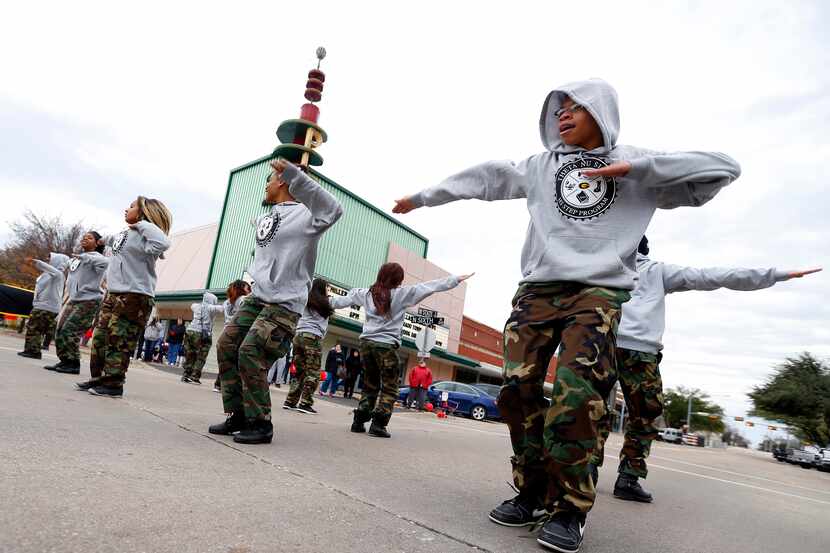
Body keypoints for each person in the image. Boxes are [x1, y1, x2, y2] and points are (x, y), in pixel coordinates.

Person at [392, 79, 740, 551]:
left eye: (576, 107)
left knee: (578, 398)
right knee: (516, 393)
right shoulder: (542, 166)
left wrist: (638, 167)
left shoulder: (638, 166)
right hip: (537, 290)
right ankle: (532, 490)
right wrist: (424, 196)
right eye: (559, 108)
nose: (563, 114)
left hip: (598, 294)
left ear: (601, 113)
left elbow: (723, 169)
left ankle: (570, 508)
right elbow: (487, 176)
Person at [591, 236, 822, 503]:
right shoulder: (657, 270)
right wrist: (776, 274)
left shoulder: (603, 267)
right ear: (646, 250)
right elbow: (715, 276)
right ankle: (628, 478)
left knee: (594, 409)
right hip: (641, 353)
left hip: (604, 344)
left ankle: (587, 470)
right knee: (644, 417)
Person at [208, 158, 343, 444]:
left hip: (284, 305)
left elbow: (334, 209)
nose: (266, 186)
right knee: (227, 345)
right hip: (258, 298)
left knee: (250, 351)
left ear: (282, 182)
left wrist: (297, 175)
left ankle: (261, 423)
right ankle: (238, 416)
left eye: (269, 180)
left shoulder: (307, 216)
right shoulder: (270, 215)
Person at [330, 263, 472, 438]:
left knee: (370, 384)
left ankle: (358, 421)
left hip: (366, 344)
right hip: (386, 346)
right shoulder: (401, 294)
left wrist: (317, 300)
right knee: (389, 387)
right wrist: (455, 280)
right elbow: (429, 287)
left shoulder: (366, 294)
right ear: (398, 279)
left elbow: (341, 300)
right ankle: (378, 425)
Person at [76, 196, 172, 397]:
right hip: (113, 293)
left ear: (144, 212)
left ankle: (113, 383)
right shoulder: (125, 234)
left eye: (131, 207)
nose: (126, 209)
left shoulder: (146, 234)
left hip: (134, 295)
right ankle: (100, 378)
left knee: (118, 340)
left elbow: (163, 242)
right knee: (100, 338)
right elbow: (114, 249)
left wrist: (142, 223)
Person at [46, 231, 108, 374]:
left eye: (90, 238)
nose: (85, 239)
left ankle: (74, 364)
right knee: (60, 329)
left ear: (97, 242)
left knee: (70, 330)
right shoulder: (76, 259)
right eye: (84, 237)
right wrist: (50, 258)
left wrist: (87, 257)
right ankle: (65, 361)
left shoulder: (97, 259)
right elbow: (63, 261)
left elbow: (106, 263)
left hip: (89, 300)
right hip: (74, 299)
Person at [283, 277, 334, 414]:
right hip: (312, 337)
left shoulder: (305, 299)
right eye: (327, 288)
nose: (328, 291)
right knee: (313, 371)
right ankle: (305, 403)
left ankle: (290, 401)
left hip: (298, 336)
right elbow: (345, 301)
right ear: (322, 288)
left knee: (299, 371)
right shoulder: (326, 302)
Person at [18, 253, 70, 360]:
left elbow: (49, 269)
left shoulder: (58, 274)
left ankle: (33, 351)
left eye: (50, 259)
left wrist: (36, 262)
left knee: (35, 328)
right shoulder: (47, 274)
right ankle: (31, 350)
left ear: (58, 261)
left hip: (47, 307)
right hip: (41, 305)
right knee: (34, 328)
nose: (48, 260)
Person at [213, 279, 252, 392]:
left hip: (226, 331)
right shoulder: (243, 299)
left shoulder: (227, 302)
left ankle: (219, 384)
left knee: (227, 360)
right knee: (236, 360)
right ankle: (229, 386)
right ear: (241, 288)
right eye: (247, 287)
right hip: (237, 331)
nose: (249, 289)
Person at [181, 292, 223, 384]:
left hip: (190, 331)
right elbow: (222, 308)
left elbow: (192, 305)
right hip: (202, 333)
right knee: (201, 356)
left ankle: (186, 375)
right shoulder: (211, 308)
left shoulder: (196, 306)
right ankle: (194, 376)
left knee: (190, 354)